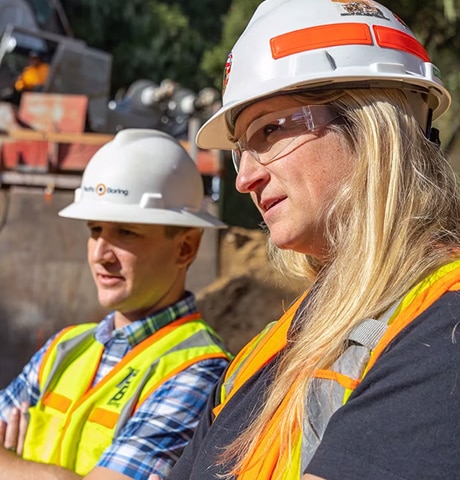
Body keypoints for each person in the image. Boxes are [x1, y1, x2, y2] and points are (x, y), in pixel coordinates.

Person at [167, 0, 460, 479]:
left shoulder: (444, 331)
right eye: (241, 148)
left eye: (270, 130)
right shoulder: (268, 349)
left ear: (372, 128)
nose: (245, 179)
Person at [0, 128, 231, 480]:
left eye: (126, 232)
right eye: (95, 230)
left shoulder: (200, 372)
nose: (100, 255)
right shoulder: (63, 348)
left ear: (185, 248)